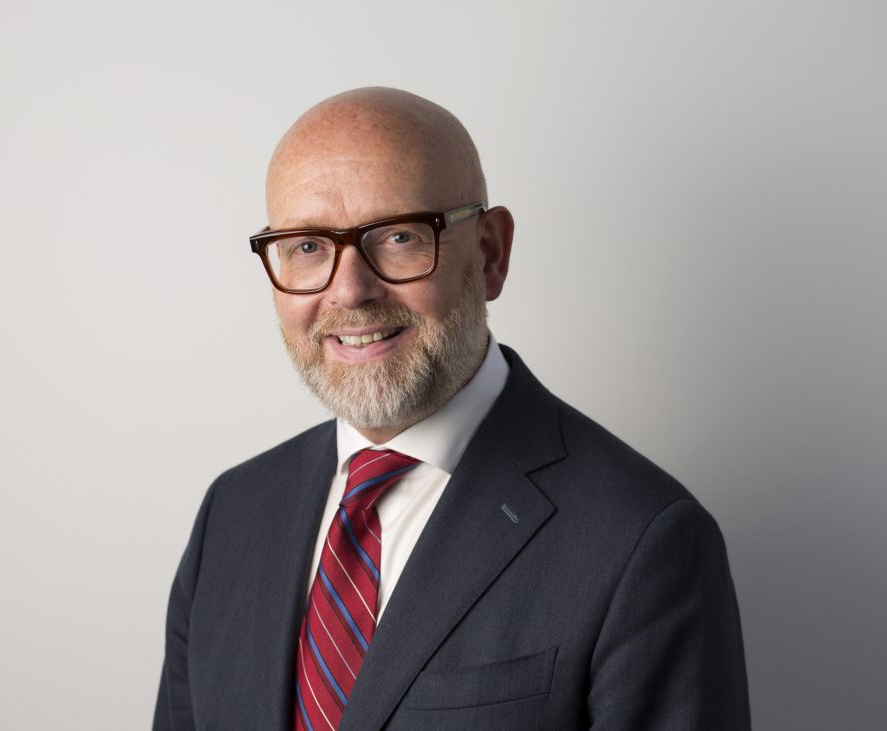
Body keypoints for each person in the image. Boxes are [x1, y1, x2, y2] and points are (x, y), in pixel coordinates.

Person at [153, 87, 751, 730]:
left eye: (400, 236)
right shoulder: (233, 514)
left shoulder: (642, 540)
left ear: (491, 253)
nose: (350, 291)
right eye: (306, 247)